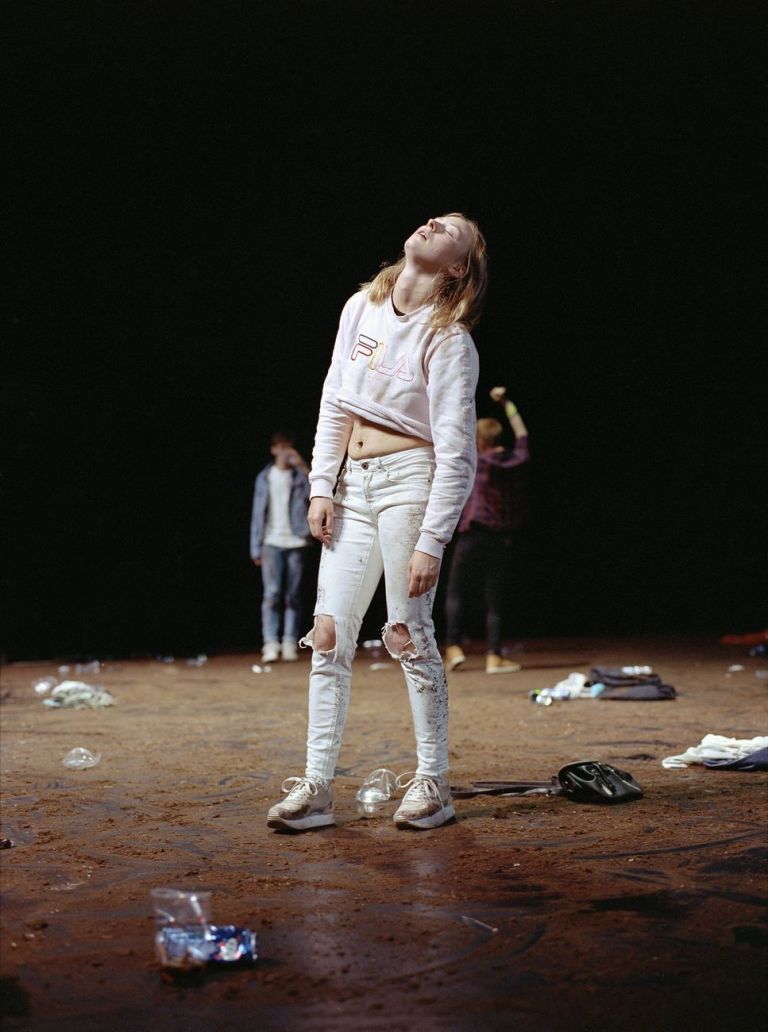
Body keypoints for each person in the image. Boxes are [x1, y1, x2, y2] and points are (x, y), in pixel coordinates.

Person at [267, 213, 488, 833]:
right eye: (431, 218)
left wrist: (432, 540)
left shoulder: (449, 340)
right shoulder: (361, 306)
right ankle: (315, 788)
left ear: (457, 267)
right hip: (353, 487)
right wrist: (322, 485)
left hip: (409, 484)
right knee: (329, 634)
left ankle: (432, 784)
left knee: (407, 634)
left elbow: (457, 451)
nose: (429, 224)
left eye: (449, 229)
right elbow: (335, 398)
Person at [444, 387, 530, 674]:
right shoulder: (517, 460)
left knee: (456, 591)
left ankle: (454, 647)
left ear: (479, 440)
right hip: (502, 538)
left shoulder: (476, 461)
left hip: (473, 534)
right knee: (495, 598)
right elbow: (522, 435)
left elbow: (458, 434)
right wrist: (508, 403)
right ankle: (494, 656)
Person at [250, 431, 312, 663]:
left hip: (296, 539)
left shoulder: (298, 476)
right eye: (280, 446)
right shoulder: (264, 477)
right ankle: (270, 643)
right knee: (272, 594)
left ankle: (289, 641)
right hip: (270, 541)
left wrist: (302, 465)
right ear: (273, 449)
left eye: (288, 446)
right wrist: (255, 547)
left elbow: (314, 492)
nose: (284, 450)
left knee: (293, 595)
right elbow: (257, 514)